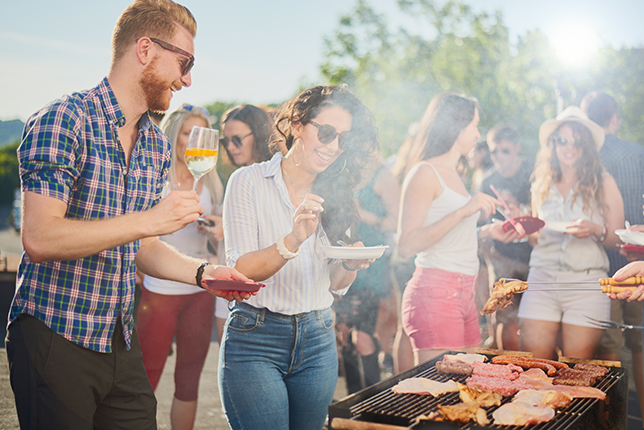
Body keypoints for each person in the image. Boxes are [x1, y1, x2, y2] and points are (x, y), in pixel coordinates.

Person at [5, 2, 251, 429]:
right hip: (55, 333)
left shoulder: (155, 144)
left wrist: (205, 273)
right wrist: (150, 219)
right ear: (145, 49)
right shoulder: (63, 119)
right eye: (184, 61)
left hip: (119, 337)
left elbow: (142, 246)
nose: (187, 79)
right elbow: (41, 238)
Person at [218, 85, 379, 430]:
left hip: (318, 337)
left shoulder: (337, 194)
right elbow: (241, 271)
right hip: (255, 338)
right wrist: (291, 240)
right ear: (296, 124)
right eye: (327, 132)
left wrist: (350, 265)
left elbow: (335, 286)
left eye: (343, 139)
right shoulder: (248, 182)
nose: (334, 146)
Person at [397, 92, 519, 365]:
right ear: (455, 126)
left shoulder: (455, 173)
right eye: (473, 125)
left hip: (463, 294)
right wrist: (465, 210)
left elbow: (448, 238)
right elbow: (406, 245)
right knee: (440, 397)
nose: (477, 134)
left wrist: (487, 232)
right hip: (436, 294)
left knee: (464, 392)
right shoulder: (424, 172)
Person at [136, 104, 224, 430]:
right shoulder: (155, 177)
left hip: (200, 290)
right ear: (173, 134)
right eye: (188, 133)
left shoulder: (213, 182)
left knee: (189, 380)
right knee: (146, 377)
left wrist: (218, 229)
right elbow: (138, 232)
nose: (194, 142)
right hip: (160, 292)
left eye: (201, 135)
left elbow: (221, 241)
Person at [518, 106, 624, 360]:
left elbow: (618, 239)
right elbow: (536, 239)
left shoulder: (604, 181)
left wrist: (596, 230)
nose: (570, 147)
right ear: (553, 144)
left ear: (587, 146)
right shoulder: (540, 184)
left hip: (585, 284)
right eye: (563, 140)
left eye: (578, 142)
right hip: (541, 281)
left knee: (575, 372)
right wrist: (523, 227)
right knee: (534, 367)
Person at [581, 90, 644, 417]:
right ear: (615, 118)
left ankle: (612, 420)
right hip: (640, 263)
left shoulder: (585, 160)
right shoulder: (640, 153)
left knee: (608, 348)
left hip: (603, 265)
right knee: (641, 346)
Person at [207, 104, 274, 342]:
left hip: (262, 295)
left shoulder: (275, 177)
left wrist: (225, 229)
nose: (231, 148)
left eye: (237, 139)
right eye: (226, 142)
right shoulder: (236, 177)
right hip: (228, 285)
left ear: (259, 133)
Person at [334, 155, 400, 393]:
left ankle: (371, 401)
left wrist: (365, 216)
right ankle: (354, 403)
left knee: (362, 338)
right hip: (339, 261)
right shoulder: (338, 168)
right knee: (344, 336)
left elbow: (397, 222)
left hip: (370, 266)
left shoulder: (382, 175)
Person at [480, 125, 534, 351]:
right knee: (506, 319)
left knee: (535, 321)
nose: (499, 157)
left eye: (506, 151)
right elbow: (481, 224)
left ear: (517, 148)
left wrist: (522, 208)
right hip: (503, 257)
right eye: (495, 152)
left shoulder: (533, 171)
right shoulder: (487, 180)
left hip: (534, 256)